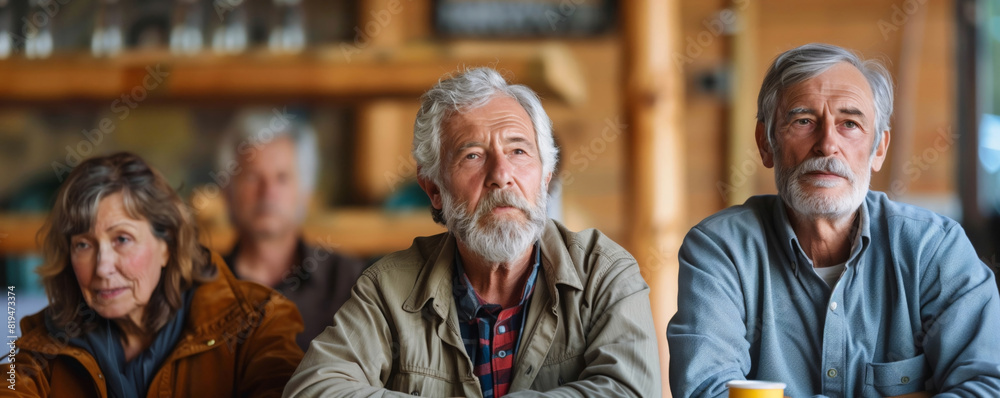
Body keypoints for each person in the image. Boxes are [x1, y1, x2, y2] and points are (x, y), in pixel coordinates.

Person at [283, 67, 661, 397]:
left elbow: (631, 390)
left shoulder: (604, 274)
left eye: (518, 151)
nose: (501, 175)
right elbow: (314, 389)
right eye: (473, 155)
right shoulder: (387, 288)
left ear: (545, 179)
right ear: (434, 189)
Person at [667, 43, 1000, 397]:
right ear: (765, 144)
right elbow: (705, 390)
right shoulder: (720, 250)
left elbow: (985, 385)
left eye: (850, 124)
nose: (827, 144)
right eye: (804, 121)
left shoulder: (934, 248)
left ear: (879, 149)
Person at [11, 152, 303, 398]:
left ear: (167, 246)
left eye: (122, 239)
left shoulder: (255, 322)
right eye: (83, 245)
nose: (102, 267)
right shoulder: (44, 340)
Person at [217, 109, 366, 350]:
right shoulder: (198, 288)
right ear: (227, 191)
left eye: (282, 178)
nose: (268, 193)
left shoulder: (351, 284)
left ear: (305, 192)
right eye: (253, 177)